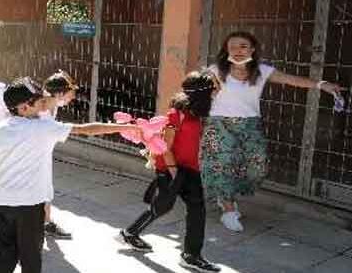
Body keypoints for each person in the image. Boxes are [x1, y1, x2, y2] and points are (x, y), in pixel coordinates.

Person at [0, 77, 143, 273]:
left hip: (2, 201)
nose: (42, 104)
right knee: (30, 255)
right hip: (29, 205)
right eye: (38, 101)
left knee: (6, 249)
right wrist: (127, 127)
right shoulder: (44, 128)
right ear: (23, 107)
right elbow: (86, 130)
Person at [203, 31, 344, 232]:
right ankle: (228, 208)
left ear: (252, 49)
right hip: (219, 125)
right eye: (233, 47)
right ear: (226, 51)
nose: (238, 51)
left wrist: (321, 85)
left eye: (243, 46)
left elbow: (291, 80)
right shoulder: (215, 70)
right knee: (222, 165)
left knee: (255, 166)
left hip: (250, 125)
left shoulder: (261, 70)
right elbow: (193, 88)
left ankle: (226, 195)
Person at [118, 71, 221, 272]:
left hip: (191, 169)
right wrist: (173, 172)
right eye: (211, 90)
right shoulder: (177, 114)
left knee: (197, 210)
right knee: (163, 206)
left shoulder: (199, 113)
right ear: (201, 94)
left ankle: (191, 255)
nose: (214, 93)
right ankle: (131, 233)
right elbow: (165, 147)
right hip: (171, 168)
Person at [40, 71, 78, 240]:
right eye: (69, 95)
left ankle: (46, 222)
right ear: (59, 93)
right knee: (39, 192)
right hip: (33, 157)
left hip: (43, 156)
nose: (72, 99)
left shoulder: (51, 106)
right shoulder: (40, 110)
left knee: (46, 190)